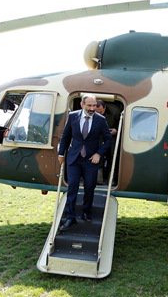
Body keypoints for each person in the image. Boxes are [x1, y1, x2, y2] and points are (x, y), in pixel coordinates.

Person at [58, 94, 112, 231]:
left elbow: (108, 140)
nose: (92, 108)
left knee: (89, 187)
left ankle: (86, 212)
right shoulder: (73, 116)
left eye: (94, 105)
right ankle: (70, 217)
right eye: (89, 105)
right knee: (72, 187)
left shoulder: (101, 120)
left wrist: (99, 153)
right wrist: (60, 153)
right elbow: (65, 136)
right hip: (74, 159)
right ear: (82, 105)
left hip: (91, 161)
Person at [95, 100, 119, 184]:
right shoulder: (92, 113)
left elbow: (120, 124)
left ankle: (111, 178)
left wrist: (116, 130)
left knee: (112, 158)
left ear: (104, 107)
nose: (99, 114)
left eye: (101, 111)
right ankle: (98, 178)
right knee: (98, 156)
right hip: (98, 139)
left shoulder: (114, 112)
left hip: (111, 138)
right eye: (97, 112)